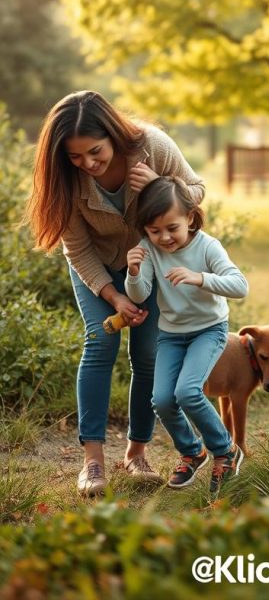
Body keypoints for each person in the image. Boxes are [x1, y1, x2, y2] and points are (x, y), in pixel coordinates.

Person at [24, 90, 205, 497]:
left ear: (114, 134)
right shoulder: (65, 178)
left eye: (95, 151)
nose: (87, 164)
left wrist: (162, 185)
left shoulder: (153, 146)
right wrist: (112, 295)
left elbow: (196, 191)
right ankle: (92, 461)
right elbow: (77, 247)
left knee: (148, 354)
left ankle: (136, 452)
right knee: (99, 342)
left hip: (152, 263)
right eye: (75, 157)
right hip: (98, 266)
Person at [125, 176, 248, 496]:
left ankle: (225, 450)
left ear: (191, 218)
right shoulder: (147, 249)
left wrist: (200, 278)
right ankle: (193, 451)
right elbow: (139, 295)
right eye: (154, 231)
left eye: (172, 228)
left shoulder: (207, 246)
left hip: (209, 330)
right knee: (162, 399)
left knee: (188, 392)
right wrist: (134, 273)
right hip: (171, 334)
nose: (164, 237)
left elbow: (240, 286)